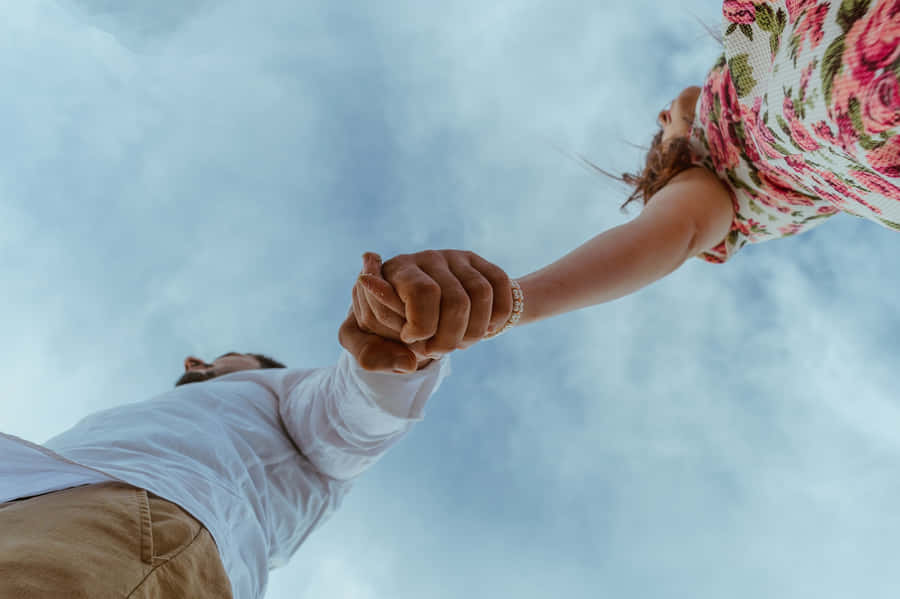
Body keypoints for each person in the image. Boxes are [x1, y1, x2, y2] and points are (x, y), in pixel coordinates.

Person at [356, 1, 900, 350]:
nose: (664, 116)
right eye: (660, 134)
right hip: (870, 86)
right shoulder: (720, 182)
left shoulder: (750, 42)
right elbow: (662, 238)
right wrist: (509, 302)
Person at [0, 249, 514, 599]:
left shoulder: (287, 396)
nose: (194, 360)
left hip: (133, 521)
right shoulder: (156, 413)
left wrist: (395, 346)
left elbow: (352, 415)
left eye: (226, 355)